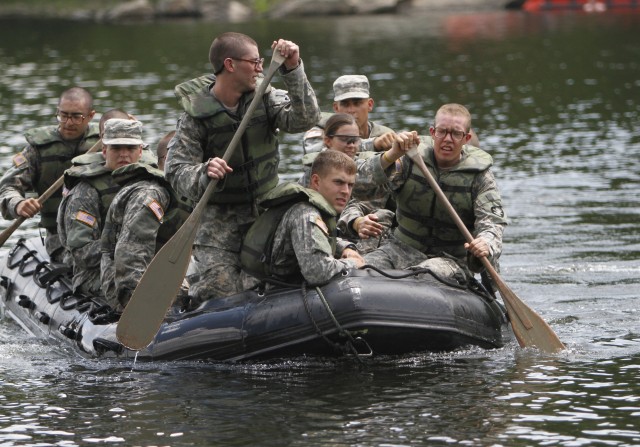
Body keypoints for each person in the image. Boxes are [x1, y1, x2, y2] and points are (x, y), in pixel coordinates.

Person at [165, 32, 321, 303]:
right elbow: (176, 171)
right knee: (221, 293)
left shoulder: (265, 97)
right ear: (230, 64)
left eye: (262, 61)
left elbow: (304, 120)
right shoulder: (194, 118)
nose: (261, 67)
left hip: (266, 210)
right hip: (219, 222)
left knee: (278, 281)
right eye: (254, 61)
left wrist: (293, 69)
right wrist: (203, 172)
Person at [360, 104, 508, 285]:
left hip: (450, 259)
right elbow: (362, 184)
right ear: (432, 132)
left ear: (466, 138)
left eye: (456, 133)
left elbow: (492, 222)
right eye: (442, 131)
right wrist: (391, 155)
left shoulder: (480, 177)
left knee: (427, 275)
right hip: (401, 248)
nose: (447, 139)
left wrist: (486, 242)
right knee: (364, 269)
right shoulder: (409, 159)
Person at [0, 87, 99, 261]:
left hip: (99, 233)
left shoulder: (104, 144)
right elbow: (7, 187)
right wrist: (18, 204)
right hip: (60, 239)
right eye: (63, 115)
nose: (68, 122)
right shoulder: (38, 150)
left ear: (90, 116)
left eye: (76, 117)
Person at [241, 150, 364, 286]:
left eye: (350, 185)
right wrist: (353, 263)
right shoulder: (306, 215)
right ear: (316, 181)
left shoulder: (310, 208)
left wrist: (346, 248)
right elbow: (318, 273)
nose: (346, 191)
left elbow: (322, 237)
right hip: (267, 293)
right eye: (338, 182)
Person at [57, 118, 144, 297]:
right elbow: (82, 252)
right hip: (96, 273)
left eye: (130, 148)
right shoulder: (86, 192)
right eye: (116, 148)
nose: (124, 154)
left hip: (147, 266)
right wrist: (127, 248)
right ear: (104, 151)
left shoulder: (150, 184)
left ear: (140, 151)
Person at [300, 113, 396, 254]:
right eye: (345, 140)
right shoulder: (319, 167)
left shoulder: (357, 160)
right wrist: (394, 153)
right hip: (326, 230)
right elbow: (366, 173)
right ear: (327, 141)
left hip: (356, 228)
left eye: (355, 140)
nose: (351, 145)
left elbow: (352, 205)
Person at [100, 162, 173, 313]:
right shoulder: (150, 195)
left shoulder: (199, 191)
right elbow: (130, 255)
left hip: (164, 272)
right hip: (123, 280)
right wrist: (137, 303)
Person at [302, 74, 395, 154]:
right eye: (345, 104)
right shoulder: (319, 131)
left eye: (357, 103)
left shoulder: (384, 135)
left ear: (369, 105)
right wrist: (374, 144)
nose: (351, 110)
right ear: (336, 108)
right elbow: (320, 158)